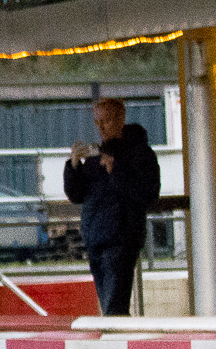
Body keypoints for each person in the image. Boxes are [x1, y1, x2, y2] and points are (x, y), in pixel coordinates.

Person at [64, 100, 162, 316]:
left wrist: (115, 170)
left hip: (121, 239)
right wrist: (73, 166)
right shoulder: (95, 156)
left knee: (113, 308)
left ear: (120, 120)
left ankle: (117, 335)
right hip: (95, 239)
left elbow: (148, 194)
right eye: (97, 122)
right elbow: (76, 195)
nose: (100, 127)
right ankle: (119, 333)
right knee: (112, 308)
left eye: (106, 121)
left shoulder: (140, 153)